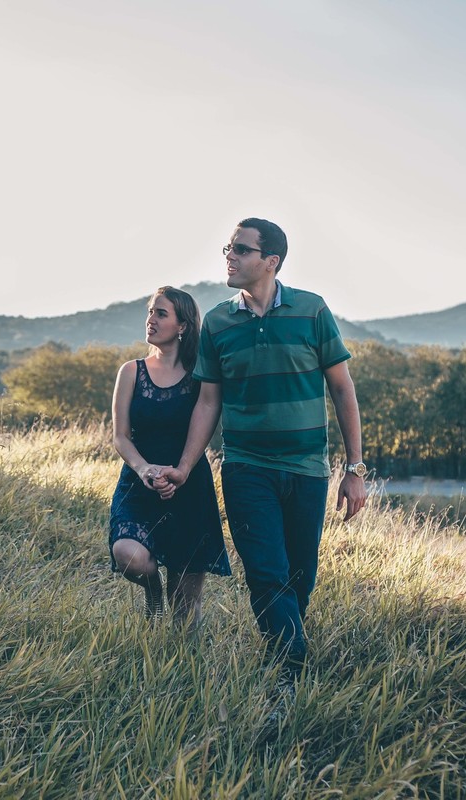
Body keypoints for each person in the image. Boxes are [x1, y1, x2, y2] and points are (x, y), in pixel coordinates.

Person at [157, 218, 367, 702]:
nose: (228, 256)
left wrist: (354, 470)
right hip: (246, 467)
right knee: (266, 573)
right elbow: (209, 402)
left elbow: (342, 388)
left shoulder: (312, 311)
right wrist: (187, 466)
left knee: (300, 576)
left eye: (240, 249)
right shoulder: (217, 322)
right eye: (228, 247)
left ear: (270, 261)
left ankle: (287, 656)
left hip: (307, 470)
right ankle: (290, 674)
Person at [108, 286, 231, 627]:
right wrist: (144, 468)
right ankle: (151, 592)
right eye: (150, 311)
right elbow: (120, 436)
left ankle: (183, 668)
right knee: (128, 554)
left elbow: (208, 419)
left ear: (183, 326)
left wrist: (182, 469)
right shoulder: (131, 371)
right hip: (139, 482)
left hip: (188, 485)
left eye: (161, 313)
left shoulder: (201, 375)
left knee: (185, 614)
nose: (151, 319)